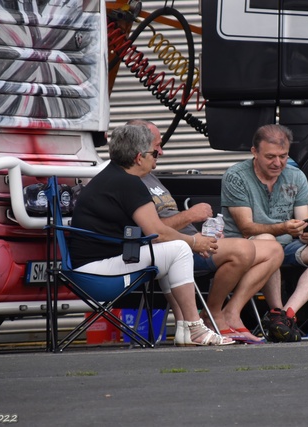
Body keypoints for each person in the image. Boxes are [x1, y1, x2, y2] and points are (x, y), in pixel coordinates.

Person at [69, 124, 234, 346]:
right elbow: (157, 233)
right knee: (179, 249)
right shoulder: (128, 183)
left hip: (93, 267)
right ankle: (193, 327)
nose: (157, 156)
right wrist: (195, 242)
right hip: (99, 275)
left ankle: (187, 328)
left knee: (170, 252)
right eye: (154, 152)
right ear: (139, 157)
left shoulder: (112, 177)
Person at [129, 120, 283, 344]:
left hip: (190, 240)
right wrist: (191, 219)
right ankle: (214, 314)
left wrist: (204, 230)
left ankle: (229, 312)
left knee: (274, 250)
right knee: (242, 249)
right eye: (157, 147)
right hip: (176, 247)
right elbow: (153, 230)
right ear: (139, 149)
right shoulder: (131, 181)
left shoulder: (150, 175)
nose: (161, 151)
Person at [221, 123, 308, 342]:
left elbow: (304, 222)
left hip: (284, 244)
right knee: (268, 241)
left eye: (283, 156)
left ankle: (285, 316)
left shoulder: (296, 177)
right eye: (270, 157)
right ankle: (276, 311)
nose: (278, 163)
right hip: (246, 245)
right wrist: (283, 228)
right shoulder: (236, 176)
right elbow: (246, 227)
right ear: (254, 152)